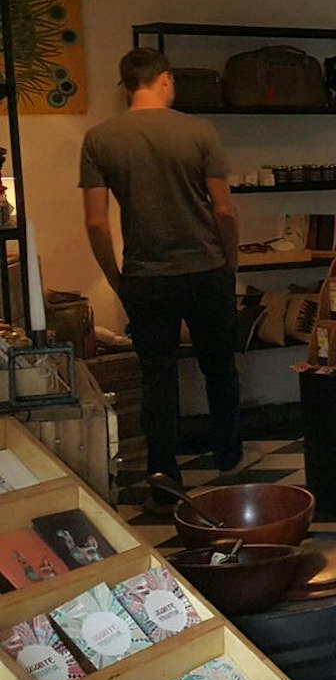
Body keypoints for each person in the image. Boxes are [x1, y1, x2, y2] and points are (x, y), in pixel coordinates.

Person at [81, 49, 242, 506]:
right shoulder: (198, 131)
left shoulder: (100, 139)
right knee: (219, 366)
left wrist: (116, 276)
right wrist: (229, 262)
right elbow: (224, 208)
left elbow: (95, 222)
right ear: (166, 80)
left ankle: (163, 470)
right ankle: (228, 454)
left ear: (127, 85)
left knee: (157, 376)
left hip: (145, 276)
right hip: (206, 268)